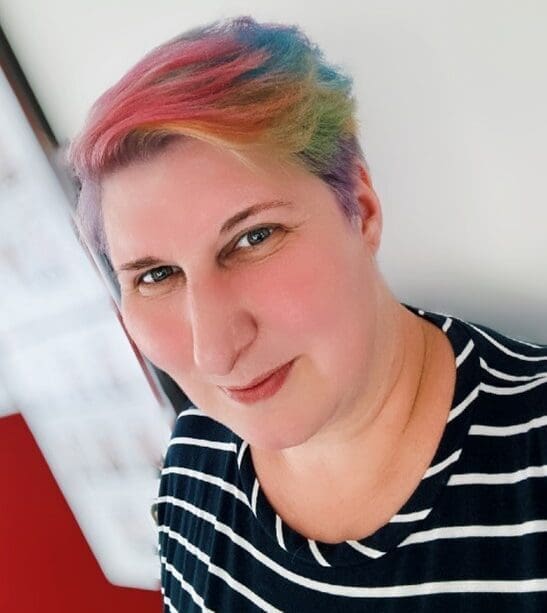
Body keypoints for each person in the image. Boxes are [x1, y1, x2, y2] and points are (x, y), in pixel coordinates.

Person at [68, 16, 547, 612]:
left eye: (254, 237)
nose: (215, 351)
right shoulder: (193, 466)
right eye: (156, 275)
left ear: (362, 211)